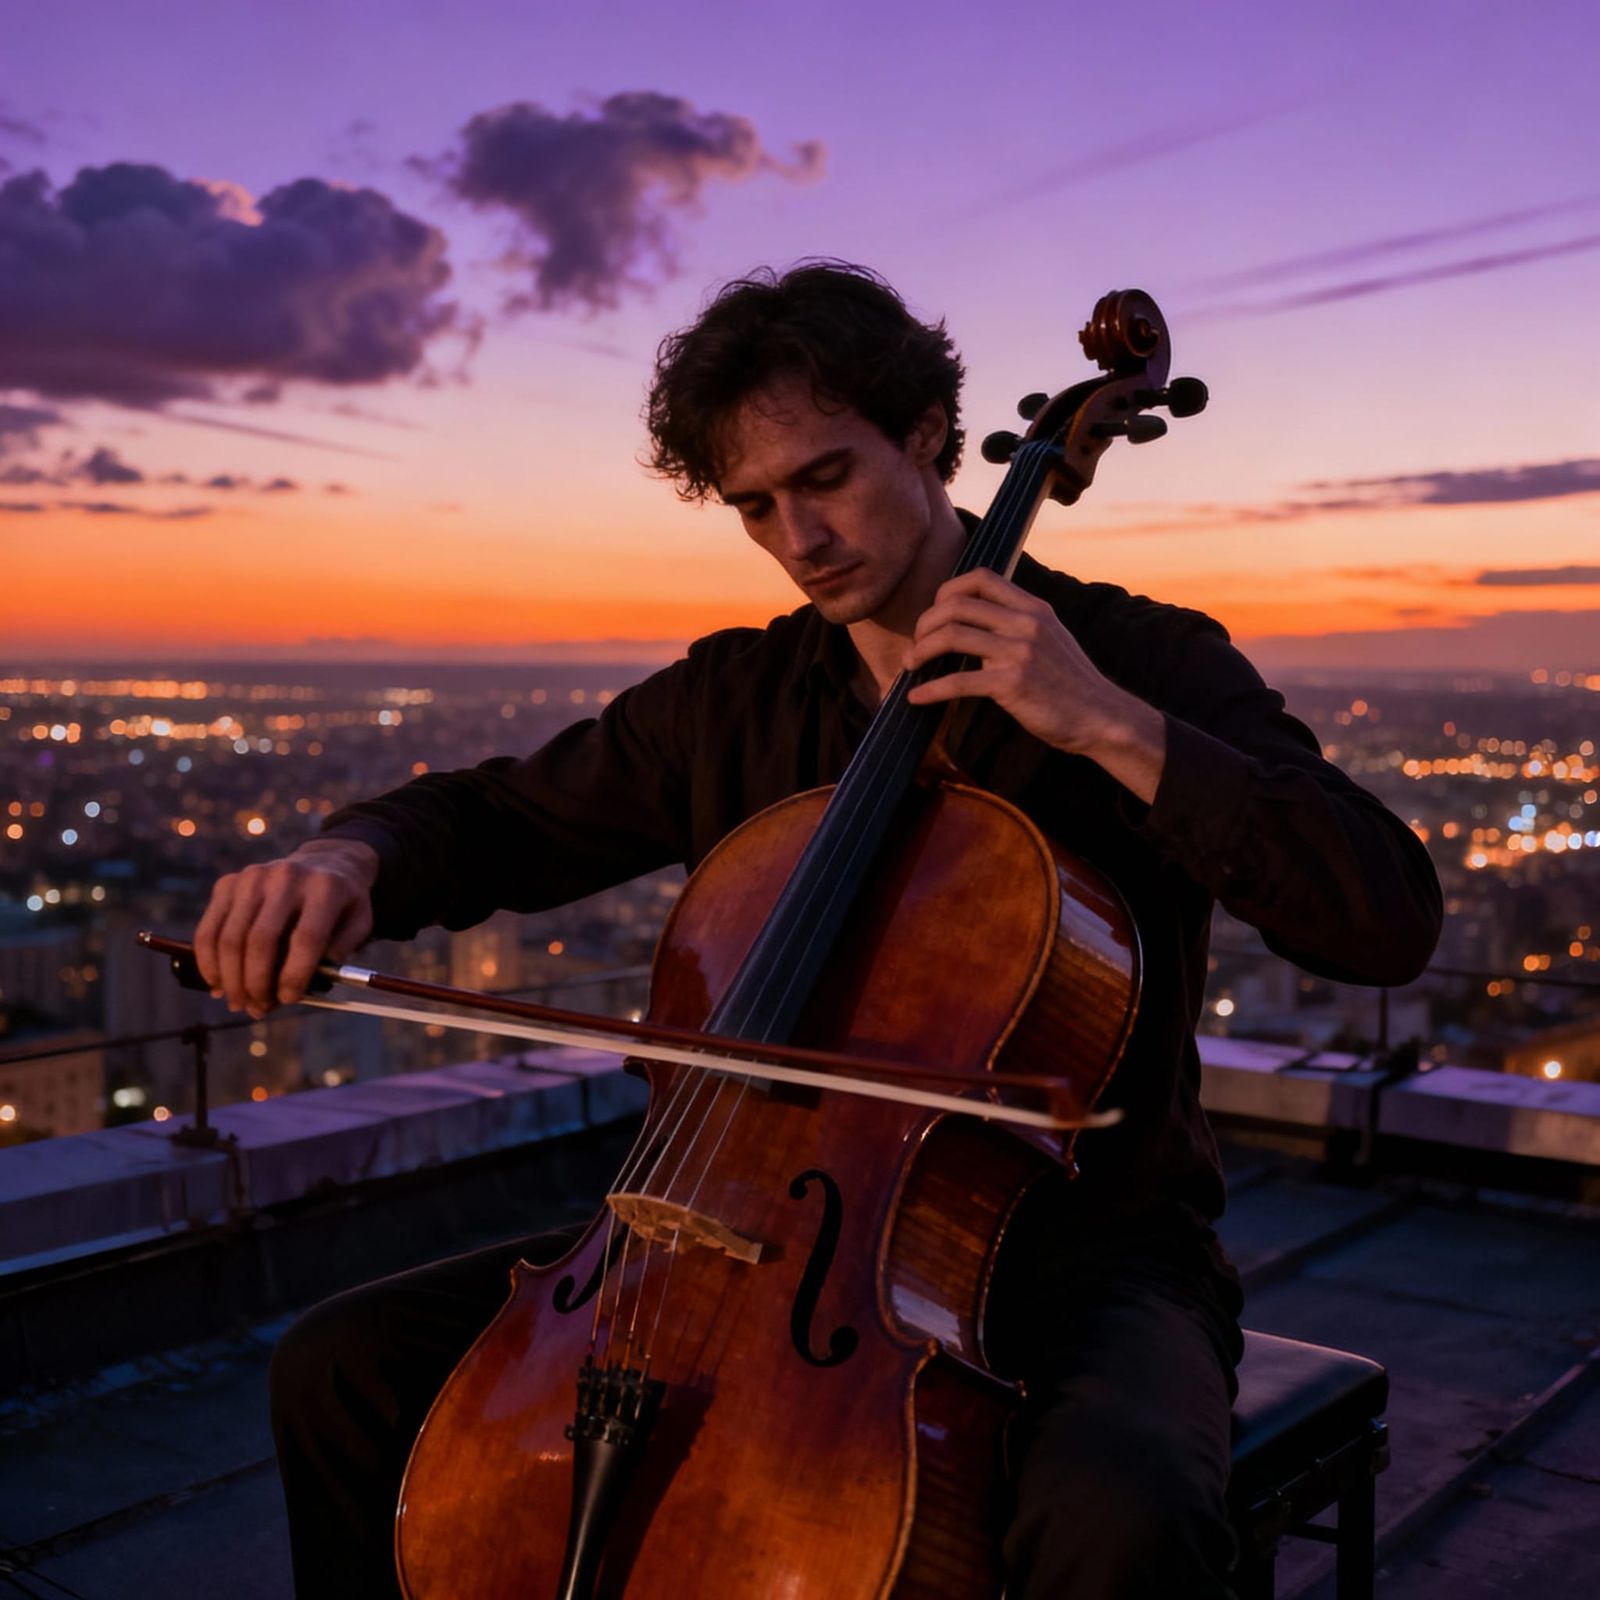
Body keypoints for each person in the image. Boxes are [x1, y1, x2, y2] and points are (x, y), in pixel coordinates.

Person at [195, 261, 1442, 1599]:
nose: (799, 538)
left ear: (924, 436)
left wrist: (1107, 726)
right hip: (726, 1226)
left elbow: (1384, 917)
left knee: (1120, 1520)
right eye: (756, 508)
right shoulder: (737, 696)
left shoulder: (1140, 661)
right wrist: (348, 854)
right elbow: (506, 816)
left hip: (1084, 1256)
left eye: (826, 478)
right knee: (343, 1368)